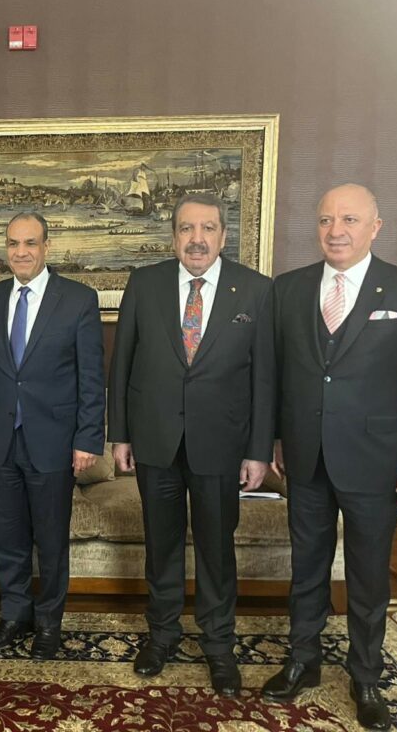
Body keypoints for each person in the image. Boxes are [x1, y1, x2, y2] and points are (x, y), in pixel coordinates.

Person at [261, 184, 397, 730]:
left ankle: (365, 675)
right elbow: (274, 377)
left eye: (349, 219)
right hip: (305, 458)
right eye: (325, 220)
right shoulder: (288, 289)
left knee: (367, 576)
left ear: (375, 226)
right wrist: (273, 440)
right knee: (306, 568)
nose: (335, 230)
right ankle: (303, 660)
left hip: (377, 461)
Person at [108, 193, 275, 696]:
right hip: (155, 440)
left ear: (224, 235)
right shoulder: (145, 283)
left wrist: (258, 450)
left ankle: (219, 646)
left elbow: (264, 379)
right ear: (174, 236)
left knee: (216, 549)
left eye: (207, 229)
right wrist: (120, 434)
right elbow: (122, 364)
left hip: (222, 445)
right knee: (160, 546)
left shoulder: (256, 290)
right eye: (186, 228)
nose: (196, 239)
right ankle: (161, 637)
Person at [0, 212, 105, 660]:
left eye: (29, 243)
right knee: (8, 537)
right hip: (3, 438)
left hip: (54, 440)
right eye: (13, 243)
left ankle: (48, 623)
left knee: (51, 539)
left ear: (46, 247)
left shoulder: (78, 299)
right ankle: (15, 615)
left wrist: (88, 439)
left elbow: (91, 377)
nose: (20, 252)